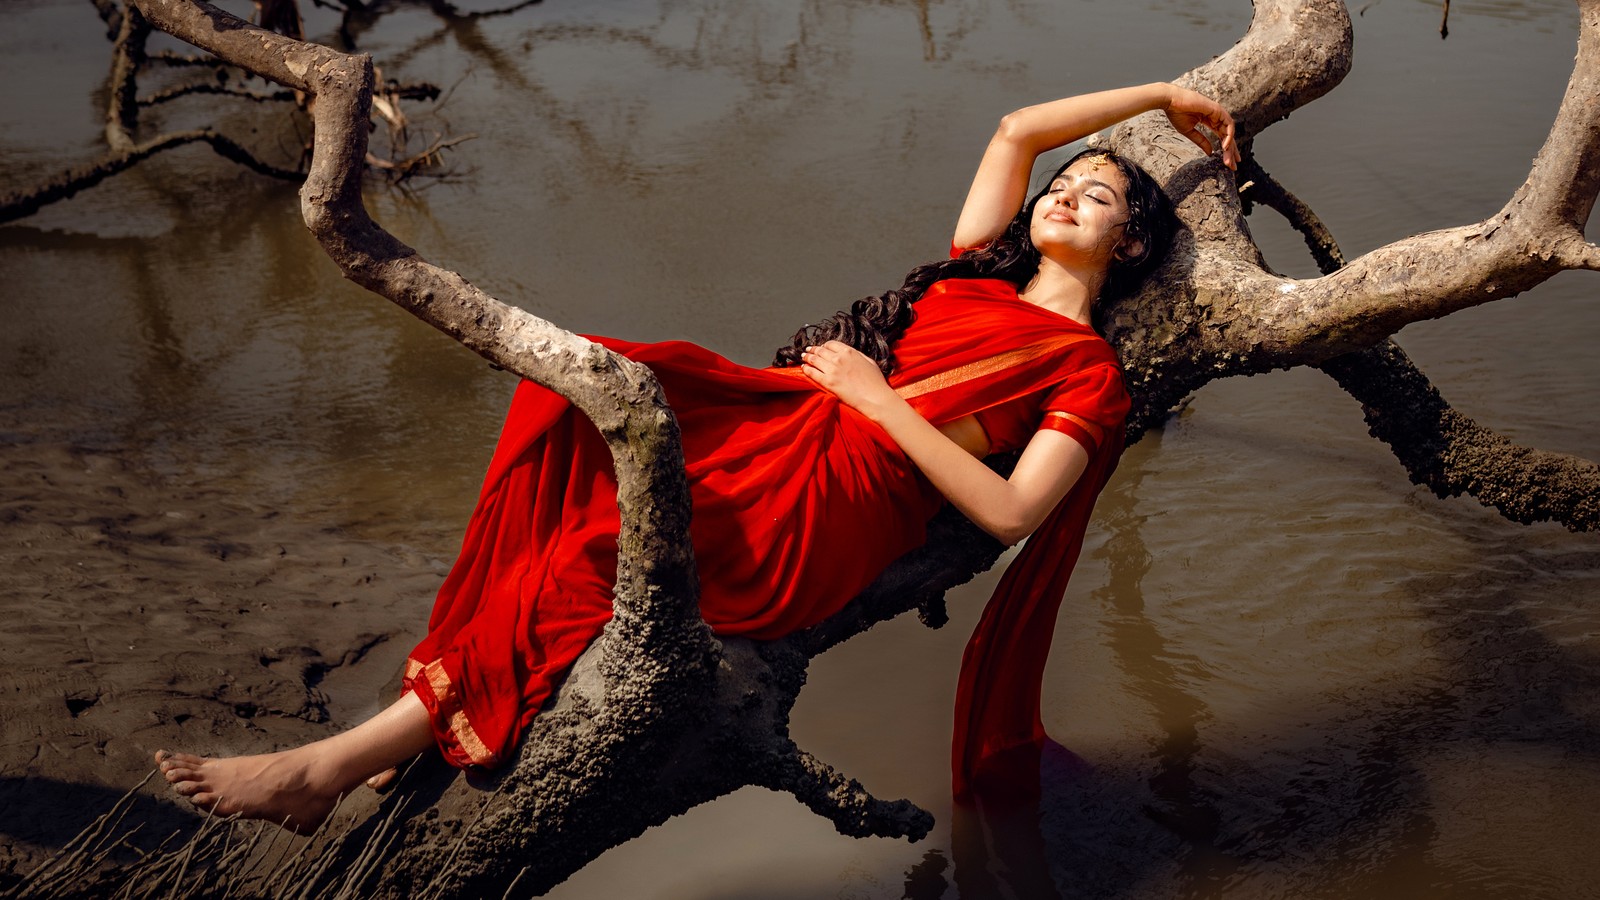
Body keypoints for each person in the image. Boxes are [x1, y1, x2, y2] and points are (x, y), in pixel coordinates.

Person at [156, 82, 1238, 830]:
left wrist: (870, 394)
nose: (1063, 192)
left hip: (845, 494)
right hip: (783, 423)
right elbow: (1014, 129)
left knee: (591, 554)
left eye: (1096, 197)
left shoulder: (1085, 371)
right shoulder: (973, 276)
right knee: (587, 393)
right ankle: (387, 739)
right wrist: (1151, 100)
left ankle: (331, 766)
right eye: (1066, 183)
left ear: (1130, 245)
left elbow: (1010, 516)